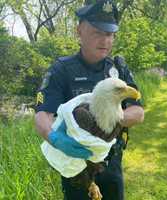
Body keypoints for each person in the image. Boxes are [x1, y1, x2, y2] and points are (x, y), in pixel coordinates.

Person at [35, 0, 144, 199]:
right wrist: (54, 138)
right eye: (97, 32)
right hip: (75, 164)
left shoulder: (118, 69)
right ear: (79, 31)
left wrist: (105, 121)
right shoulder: (61, 69)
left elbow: (138, 112)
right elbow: (42, 114)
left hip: (111, 162)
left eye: (109, 34)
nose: (105, 41)